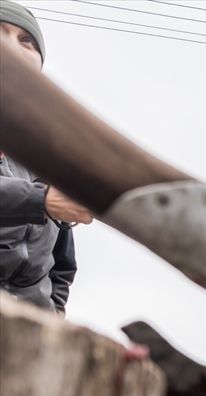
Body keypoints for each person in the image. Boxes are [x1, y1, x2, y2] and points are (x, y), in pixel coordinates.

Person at [0, 1, 92, 313]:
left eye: (26, 40)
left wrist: (52, 315)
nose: (12, 45)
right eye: (0, 32)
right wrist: (40, 201)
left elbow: (63, 264)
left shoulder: (43, 159)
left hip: (28, 341)